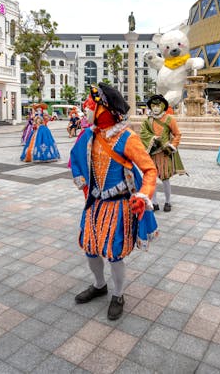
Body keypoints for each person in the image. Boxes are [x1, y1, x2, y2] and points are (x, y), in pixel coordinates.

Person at [70, 83, 158, 321]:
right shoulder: (89, 136)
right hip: (94, 204)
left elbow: (150, 170)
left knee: (114, 253)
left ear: (104, 109)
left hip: (118, 205)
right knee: (89, 248)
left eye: (92, 103)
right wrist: (83, 183)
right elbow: (74, 158)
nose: (87, 107)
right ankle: (100, 285)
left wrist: (143, 195)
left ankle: (118, 295)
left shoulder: (127, 138)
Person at [139, 95, 186, 212]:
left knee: (165, 179)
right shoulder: (147, 120)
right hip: (152, 153)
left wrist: (172, 146)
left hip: (164, 153)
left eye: (158, 105)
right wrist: (153, 138)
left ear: (163, 106)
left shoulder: (169, 119)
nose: (155, 108)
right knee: (152, 179)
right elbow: (143, 134)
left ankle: (167, 202)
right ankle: (154, 203)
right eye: (153, 105)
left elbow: (177, 134)